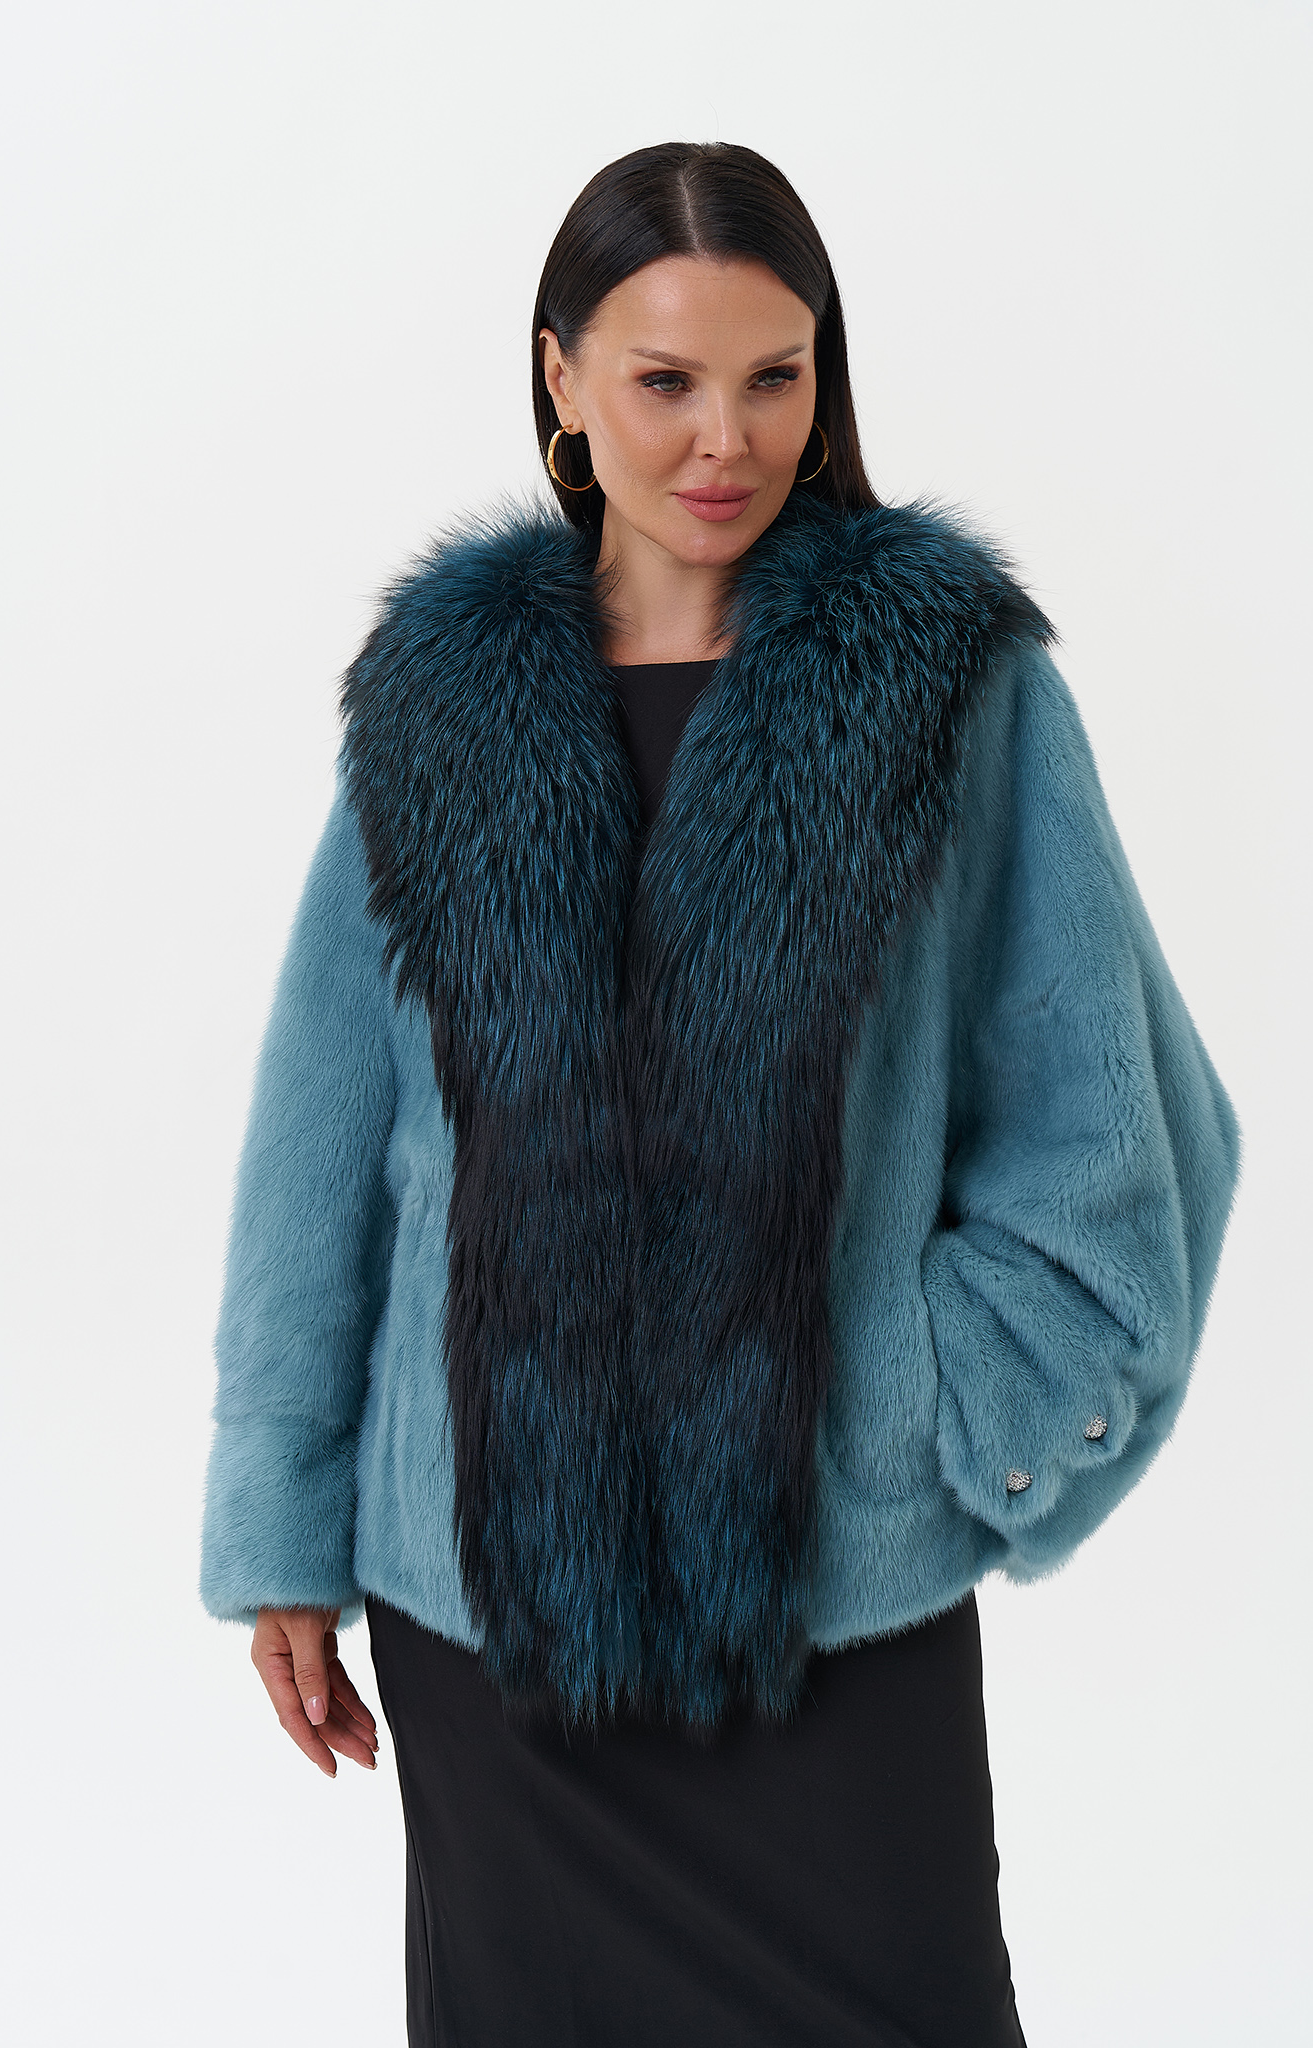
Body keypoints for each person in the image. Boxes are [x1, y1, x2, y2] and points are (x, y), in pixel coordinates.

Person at [199, 142, 1241, 2048]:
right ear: (560, 377)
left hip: (826, 1604)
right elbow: (323, 1146)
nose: (725, 439)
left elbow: (1127, 1132)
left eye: (776, 376)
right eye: (666, 378)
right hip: (484, 1608)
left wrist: (918, 1408)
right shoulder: (437, 702)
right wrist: (280, 1526)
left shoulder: (948, 687)